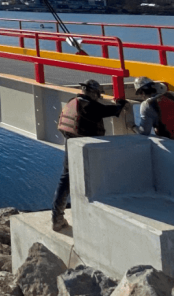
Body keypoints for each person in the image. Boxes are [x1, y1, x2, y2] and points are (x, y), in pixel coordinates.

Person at [52, 79, 127, 232]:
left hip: (70, 141)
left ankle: (57, 218)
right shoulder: (90, 105)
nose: (97, 97)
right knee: (93, 177)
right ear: (93, 92)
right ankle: (91, 216)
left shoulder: (74, 101)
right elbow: (111, 111)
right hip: (84, 144)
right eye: (97, 94)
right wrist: (121, 103)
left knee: (65, 178)